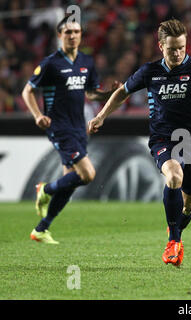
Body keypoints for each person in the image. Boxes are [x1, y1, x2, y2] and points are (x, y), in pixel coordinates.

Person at [88, 19, 191, 267]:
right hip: (163, 138)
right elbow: (122, 92)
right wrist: (101, 115)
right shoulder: (149, 71)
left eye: (181, 47)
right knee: (173, 176)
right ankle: (174, 242)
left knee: (188, 205)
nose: (177, 53)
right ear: (161, 46)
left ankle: (175, 230)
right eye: (171, 49)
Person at [22, 17, 121, 244]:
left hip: (78, 127)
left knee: (72, 181)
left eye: (76, 31)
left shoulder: (86, 61)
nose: (73, 36)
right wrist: (38, 115)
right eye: (68, 32)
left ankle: (41, 229)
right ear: (60, 36)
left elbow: (91, 93)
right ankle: (45, 189)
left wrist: (108, 94)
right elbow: (27, 91)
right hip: (58, 126)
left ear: (81, 35)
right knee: (87, 174)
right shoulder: (50, 63)